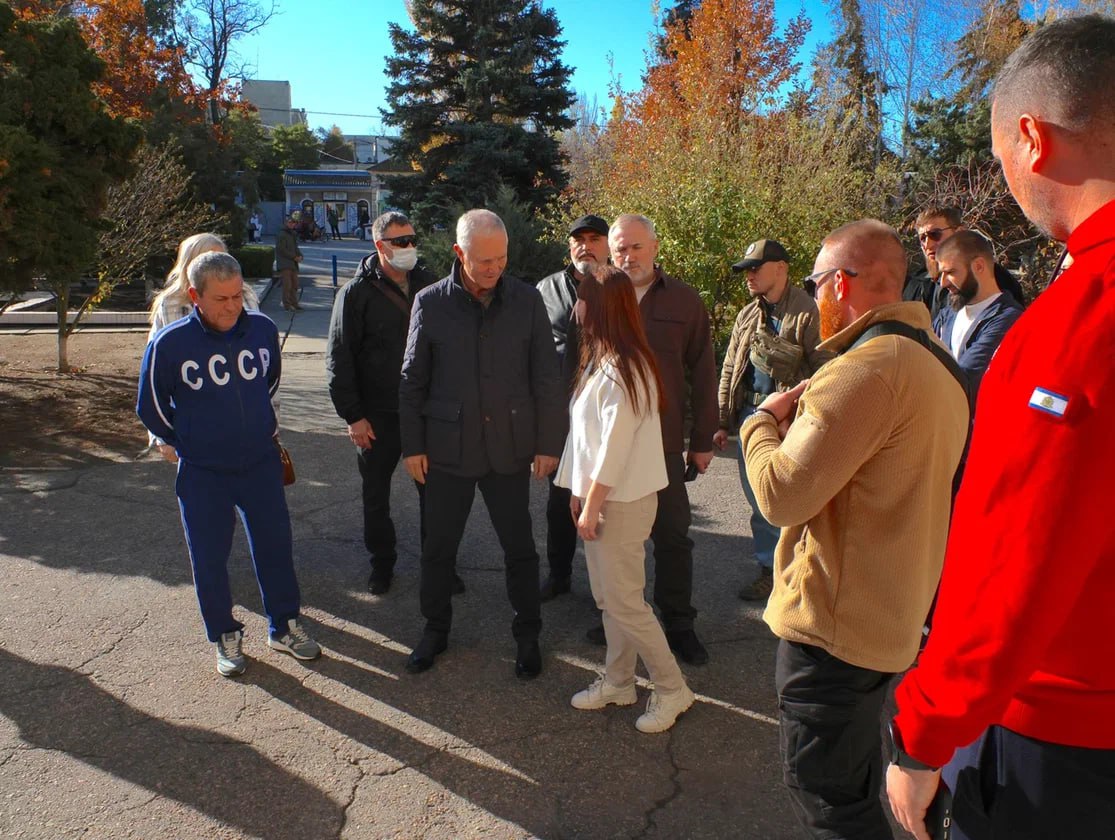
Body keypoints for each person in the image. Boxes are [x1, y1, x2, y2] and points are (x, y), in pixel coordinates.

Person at [887, 17, 1115, 840]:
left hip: (1065, 750)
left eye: (997, 157)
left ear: (1030, 138)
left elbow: (1013, 566)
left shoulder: (1074, 324)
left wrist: (919, 734)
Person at [740, 219, 969, 839]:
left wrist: (758, 423)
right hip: (891, 621)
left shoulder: (865, 369)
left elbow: (781, 496)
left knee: (830, 804)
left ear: (840, 285)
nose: (813, 298)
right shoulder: (938, 365)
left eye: (815, 282)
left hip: (833, 636)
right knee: (855, 785)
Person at [136, 251, 320, 677]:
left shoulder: (262, 329)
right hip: (204, 471)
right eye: (221, 299)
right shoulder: (171, 343)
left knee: (275, 545)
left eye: (237, 296)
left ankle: (284, 625)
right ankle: (224, 634)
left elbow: (268, 381)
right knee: (209, 556)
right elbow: (151, 405)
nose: (232, 306)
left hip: (259, 462)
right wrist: (185, 443)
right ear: (195, 296)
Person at [398, 209, 564, 678]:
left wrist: (549, 442)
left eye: (501, 258)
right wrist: (413, 447)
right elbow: (412, 381)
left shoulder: (527, 300)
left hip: (509, 449)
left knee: (520, 549)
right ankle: (434, 631)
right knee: (438, 548)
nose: (493, 269)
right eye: (483, 260)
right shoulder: (430, 303)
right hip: (447, 450)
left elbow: (546, 378)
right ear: (458, 253)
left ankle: (528, 635)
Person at [556, 265, 695, 733]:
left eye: (582, 298)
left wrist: (591, 504)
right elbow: (587, 438)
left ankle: (673, 688)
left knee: (626, 604)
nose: (575, 307)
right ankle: (619, 681)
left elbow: (613, 450)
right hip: (604, 498)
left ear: (600, 308)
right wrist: (579, 490)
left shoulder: (626, 369)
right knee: (610, 600)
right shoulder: (607, 359)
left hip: (620, 502)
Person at [601, 214, 718, 666]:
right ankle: (618, 615)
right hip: (613, 441)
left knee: (672, 536)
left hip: (664, 442)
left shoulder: (686, 302)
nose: (627, 256)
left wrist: (702, 439)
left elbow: (703, 372)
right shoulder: (597, 298)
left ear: (654, 247)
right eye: (619, 249)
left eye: (635, 247)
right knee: (614, 537)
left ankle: (679, 623)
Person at [326, 211, 461, 596]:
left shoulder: (428, 282)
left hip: (423, 412)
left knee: (435, 496)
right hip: (377, 415)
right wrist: (354, 416)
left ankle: (439, 567)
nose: (409, 247)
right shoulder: (355, 293)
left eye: (411, 239)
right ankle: (381, 565)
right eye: (400, 241)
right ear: (379, 245)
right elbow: (340, 357)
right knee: (376, 495)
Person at [712, 239, 828, 602]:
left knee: (790, 502)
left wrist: (806, 418)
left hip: (790, 424)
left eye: (755, 268)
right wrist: (721, 421)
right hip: (751, 417)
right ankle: (769, 571)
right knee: (759, 500)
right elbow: (731, 368)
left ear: (781, 268)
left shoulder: (810, 311)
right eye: (746, 269)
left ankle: (795, 573)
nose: (749, 275)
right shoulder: (748, 314)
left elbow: (826, 370)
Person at [536, 213, 612, 601]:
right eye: (578, 239)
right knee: (559, 502)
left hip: (611, 413)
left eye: (594, 238)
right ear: (569, 246)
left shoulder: (620, 287)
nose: (586, 245)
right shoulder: (546, 290)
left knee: (609, 504)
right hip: (562, 416)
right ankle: (560, 574)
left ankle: (611, 591)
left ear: (608, 244)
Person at [147, 233, 260, 460]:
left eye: (221, 257)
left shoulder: (245, 295)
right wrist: (161, 437)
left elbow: (261, 362)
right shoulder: (172, 305)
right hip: (194, 428)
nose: (218, 266)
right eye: (207, 258)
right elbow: (156, 375)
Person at [932, 230, 1023, 403]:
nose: (943, 283)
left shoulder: (1009, 319)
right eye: (942, 273)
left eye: (950, 272)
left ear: (979, 266)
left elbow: (964, 382)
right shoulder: (946, 316)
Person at [908, 205, 1027, 318]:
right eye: (922, 238)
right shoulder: (919, 284)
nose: (928, 244)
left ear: (960, 232)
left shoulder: (994, 277)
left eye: (935, 234)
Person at [276, 215, 304, 311]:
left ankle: (294, 303)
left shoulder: (292, 234)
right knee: (287, 285)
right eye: (290, 222)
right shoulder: (282, 234)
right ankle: (287, 305)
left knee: (295, 285)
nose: (292, 224)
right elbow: (282, 249)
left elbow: (296, 248)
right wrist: (294, 257)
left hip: (293, 264)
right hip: (285, 264)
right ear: (286, 223)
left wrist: (300, 255)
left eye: (293, 223)